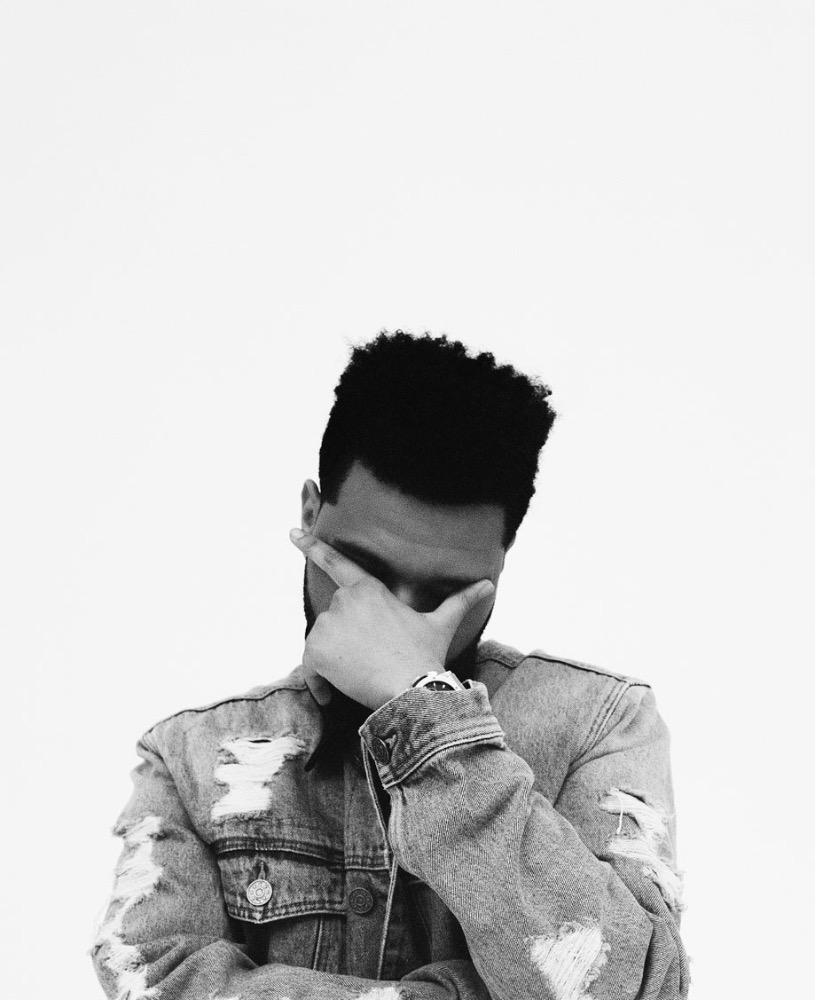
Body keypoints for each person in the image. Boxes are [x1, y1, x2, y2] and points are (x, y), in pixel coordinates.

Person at [91, 331, 689, 1000]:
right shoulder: (191, 759)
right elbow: (156, 981)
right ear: (310, 516)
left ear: (500, 563)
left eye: (441, 592)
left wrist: (422, 706)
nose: (394, 620)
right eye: (364, 571)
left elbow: (632, 991)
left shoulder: (599, 724)